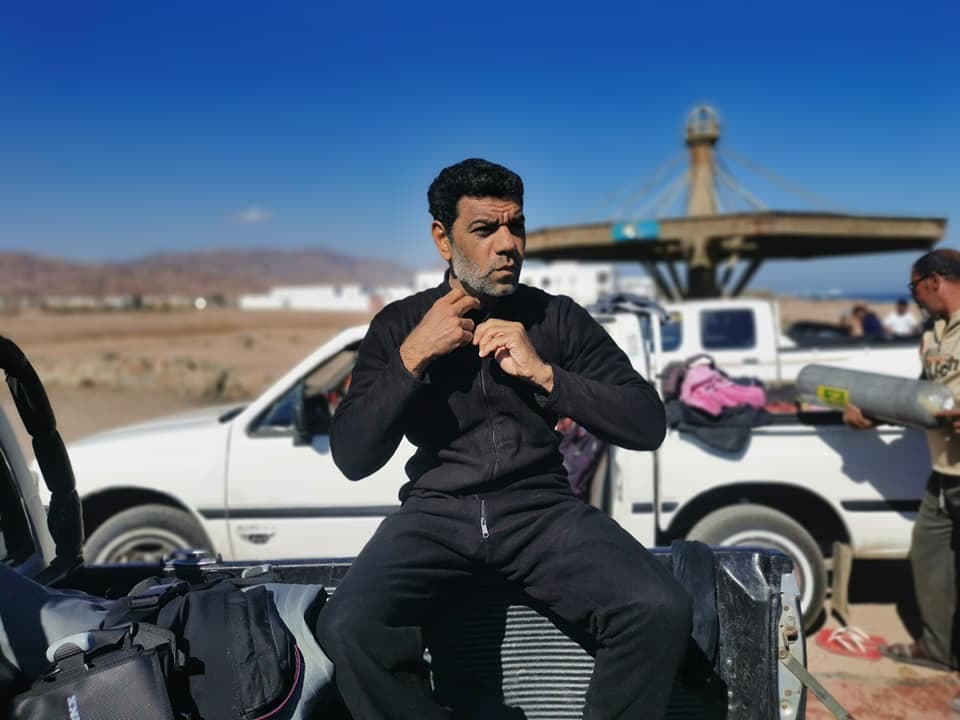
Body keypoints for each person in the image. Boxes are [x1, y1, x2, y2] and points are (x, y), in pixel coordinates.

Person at [316, 158, 692, 719]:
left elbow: (646, 422)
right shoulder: (399, 325)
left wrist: (546, 375)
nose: (508, 245)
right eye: (485, 230)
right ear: (443, 239)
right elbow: (352, 455)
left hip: (540, 510)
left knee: (658, 608)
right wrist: (415, 355)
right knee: (349, 626)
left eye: (515, 227)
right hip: (435, 514)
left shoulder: (556, 318)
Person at [844, 248, 960, 675]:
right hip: (943, 472)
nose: (913, 298)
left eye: (914, 287)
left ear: (934, 281)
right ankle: (939, 648)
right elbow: (921, 397)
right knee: (929, 558)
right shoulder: (932, 335)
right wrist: (871, 414)